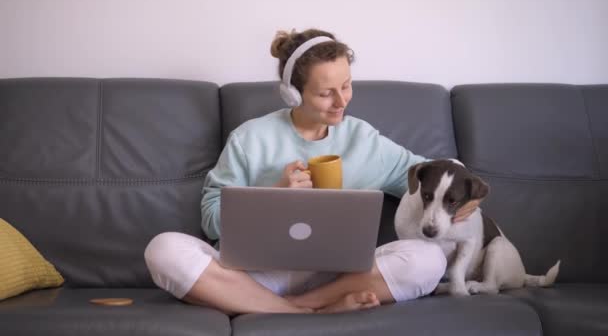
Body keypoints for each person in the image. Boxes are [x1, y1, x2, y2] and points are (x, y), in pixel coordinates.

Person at [144, 28, 479, 315]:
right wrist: (273, 196)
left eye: (346, 85)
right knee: (163, 249)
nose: (341, 101)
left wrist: (463, 196)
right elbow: (210, 219)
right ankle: (298, 312)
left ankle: (290, 304)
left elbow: (431, 173)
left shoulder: (364, 139)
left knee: (428, 260)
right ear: (293, 93)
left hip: (337, 277)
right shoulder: (250, 138)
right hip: (253, 275)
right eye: (325, 93)